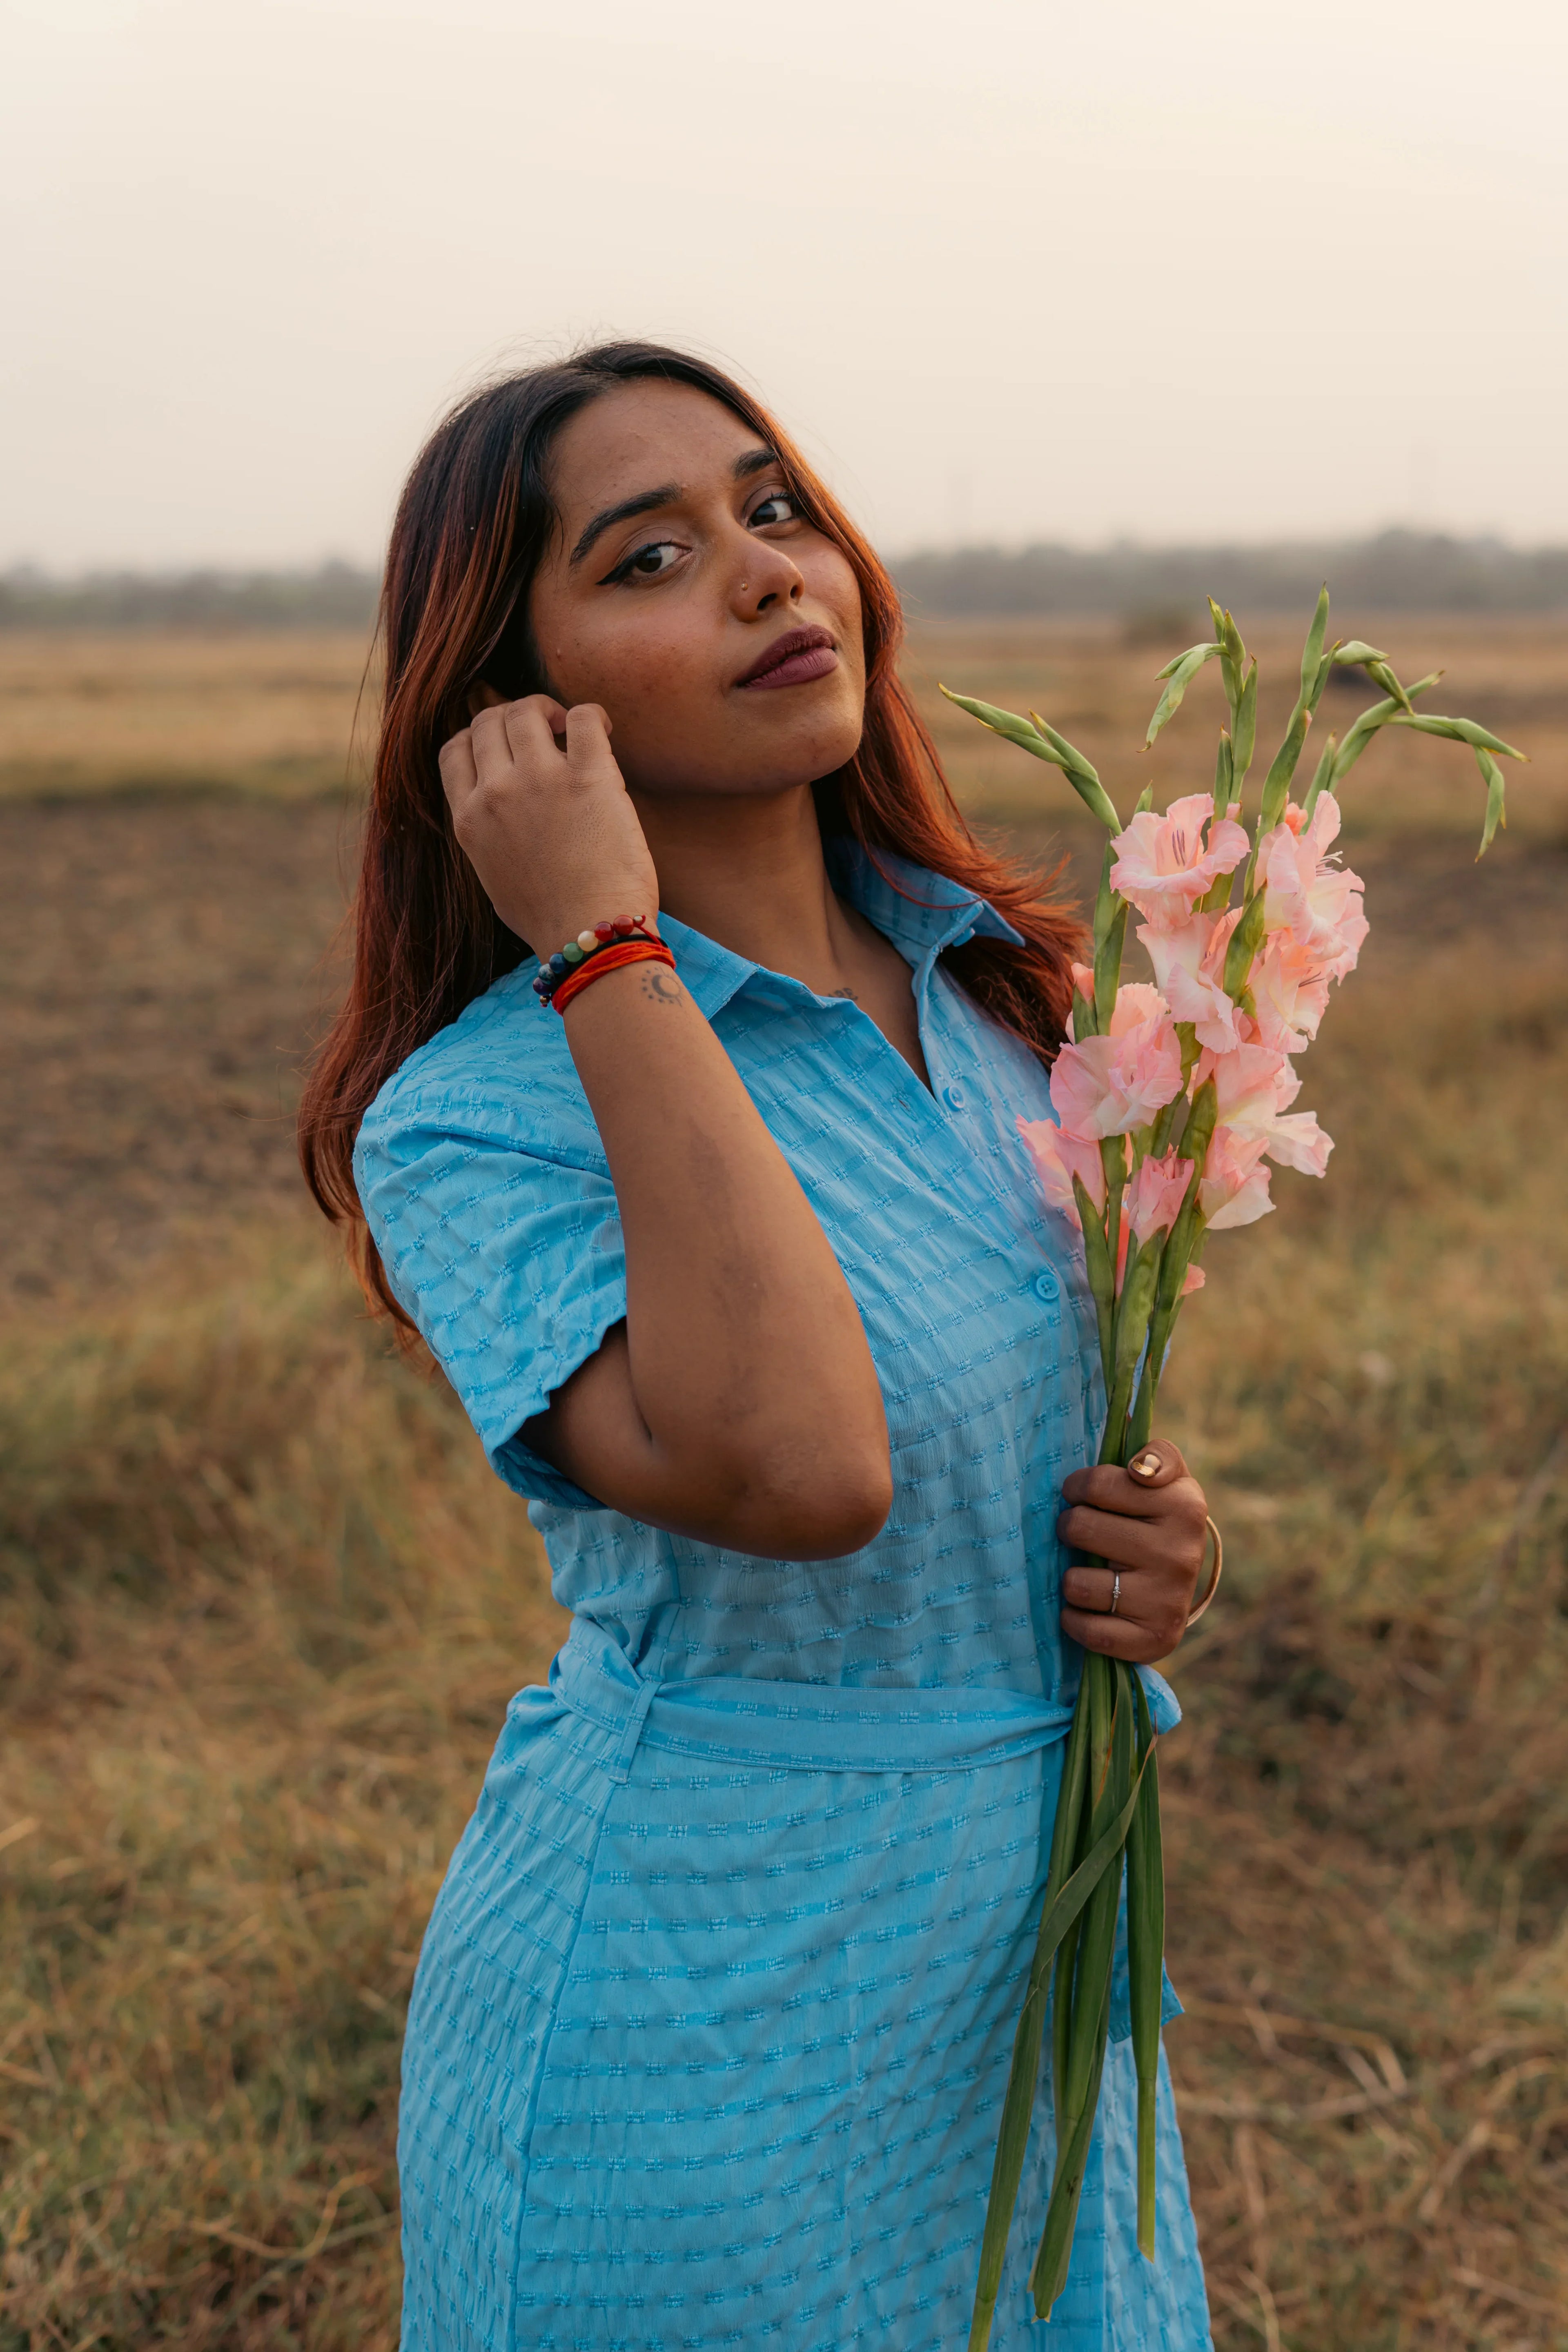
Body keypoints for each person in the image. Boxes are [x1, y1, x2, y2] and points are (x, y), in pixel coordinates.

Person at [299, 341, 1215, 2351]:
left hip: (1031, 1974)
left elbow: (995, 1427)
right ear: (512, 713)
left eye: (775, 505)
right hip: (698, 2022)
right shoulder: (479, 1117)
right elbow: (806, 1471)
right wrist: (606, 946)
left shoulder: (1006, 1003)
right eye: (649, 556)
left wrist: (1153, 1543)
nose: (766, 572)